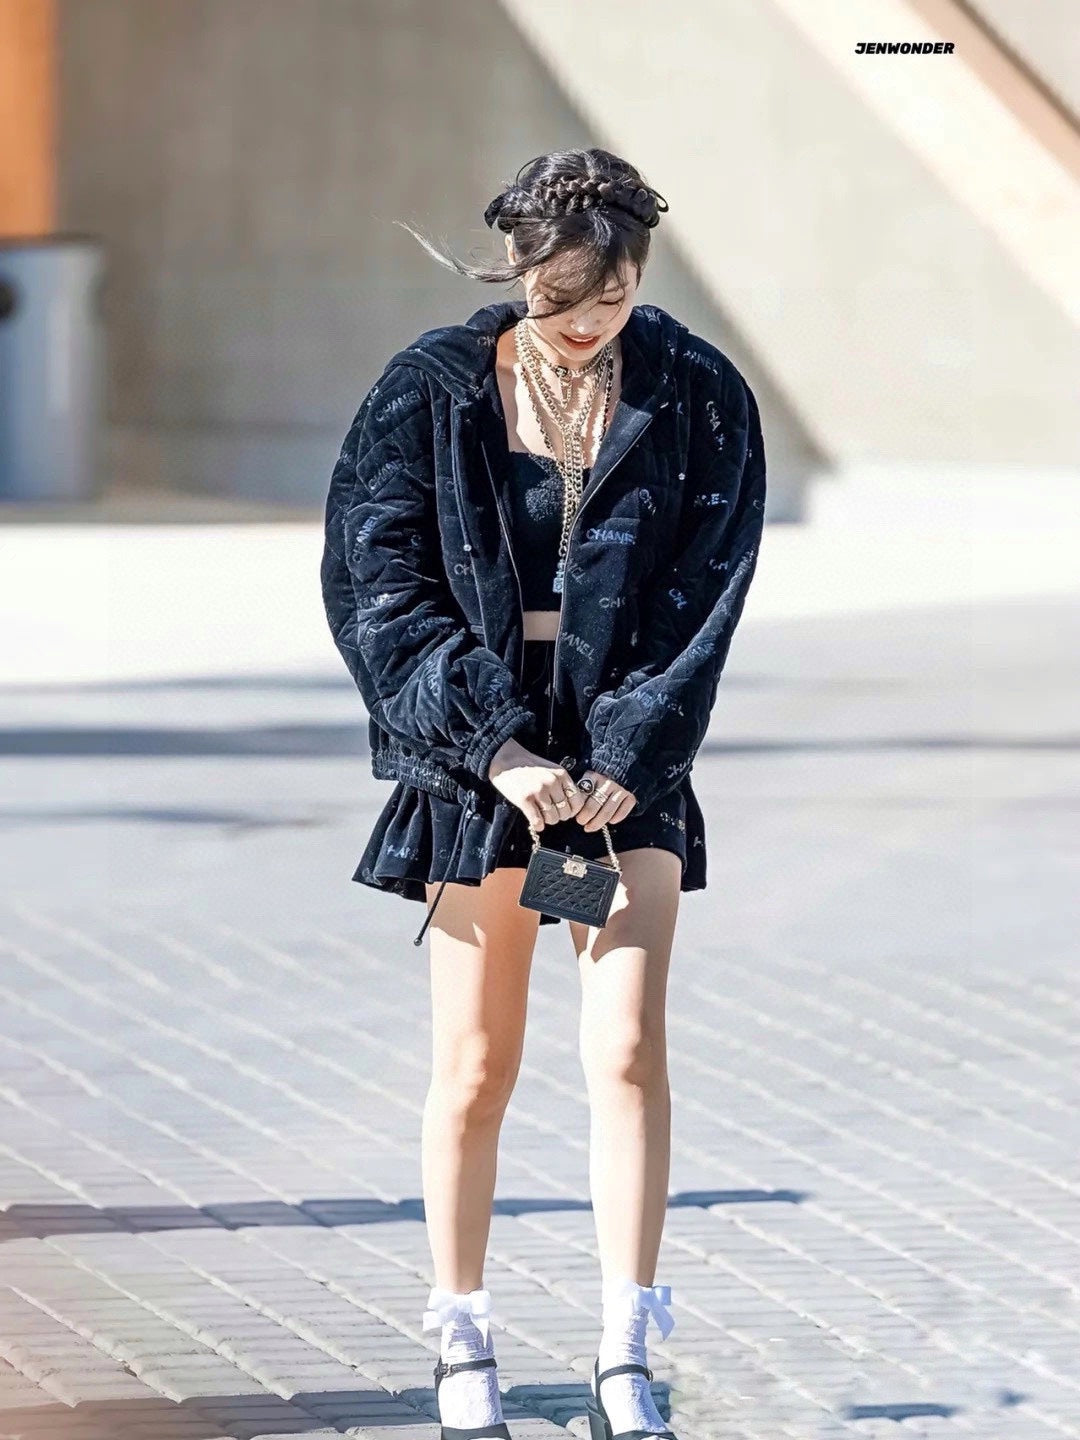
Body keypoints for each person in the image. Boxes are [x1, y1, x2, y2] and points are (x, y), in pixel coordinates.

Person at [321, 147, 766, 1440]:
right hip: (482, 769)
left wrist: (625, 754)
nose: (583, 325)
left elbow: (709, 592)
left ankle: (628, 1348)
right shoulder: (429, 391)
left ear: (642, 277)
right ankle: (462, 1336)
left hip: (627, 772)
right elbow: (376, 588)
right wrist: (500, 750)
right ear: (514, 271)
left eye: (610, 299)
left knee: (624, 1046)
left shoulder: (698, 392)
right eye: (558, 298)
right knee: (476, 1064)